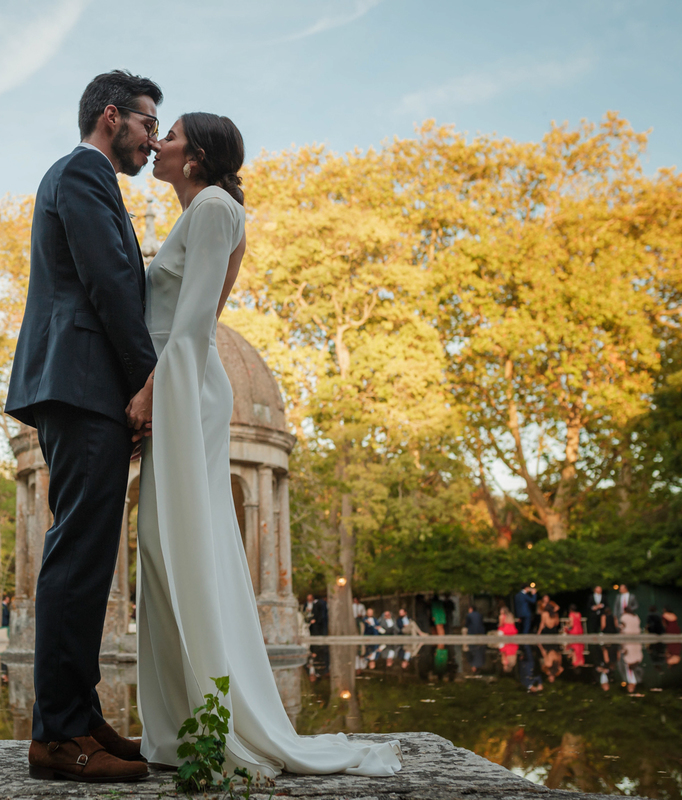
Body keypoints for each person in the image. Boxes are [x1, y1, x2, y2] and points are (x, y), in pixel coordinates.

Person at [130, 110, 401, 779]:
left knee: (181, 548)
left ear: (195, 159)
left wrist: (149, 392)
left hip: (185, 387)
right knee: (164, 551)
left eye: (171, 137)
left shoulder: (216, 209)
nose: (157, 143)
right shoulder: (205, 212)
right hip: (182, 382)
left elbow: (194, 324)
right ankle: (174, 731)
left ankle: (212, 726)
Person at [4, 70, 161, 784]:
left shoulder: (95, 182)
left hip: (85, 386)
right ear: (110, 117)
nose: (153, 140)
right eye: (146, 124)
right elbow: (106, 283)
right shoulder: (81, 173)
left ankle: (81, 715)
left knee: (91, 555)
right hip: (82, 382)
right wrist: (145, 381)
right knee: (75, 555)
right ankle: (57, 736)